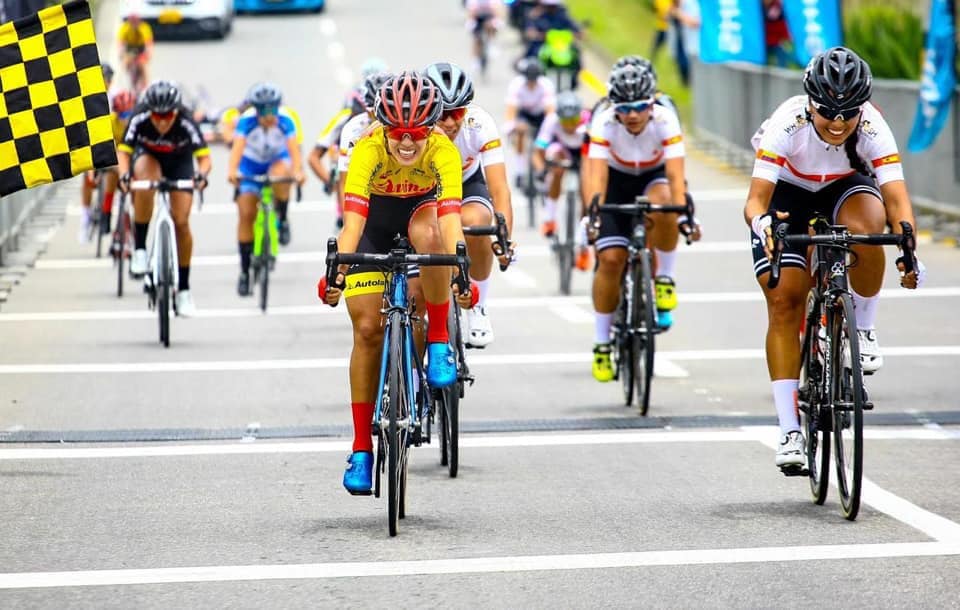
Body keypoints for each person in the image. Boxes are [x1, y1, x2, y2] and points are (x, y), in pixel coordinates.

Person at [745, 47, 924, 468]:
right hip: (788, 193)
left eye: (849, 112)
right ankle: (789, 430)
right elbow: (755, 202)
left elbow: (898, 200)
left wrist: (907, 247)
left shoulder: (873, 124)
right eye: (828, 111)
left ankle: (862, 328)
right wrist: (764, 225)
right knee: (784, 301)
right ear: (811, 103)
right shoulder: (787, 122)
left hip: (844, 187)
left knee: (869, 226)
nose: (840, 122)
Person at [316, 72, 469, 495]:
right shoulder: (366, 148)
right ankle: (362, 448)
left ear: (431, 129)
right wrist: (336, 273)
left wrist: (462, 267)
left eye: (417, 133)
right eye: (398, 133)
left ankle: (438, 342)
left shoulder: (443, 150)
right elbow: (353, 224)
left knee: (433, 237)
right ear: (383, 127)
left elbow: (452, 219)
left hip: (420, 214)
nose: (407, 142)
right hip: (374, 224)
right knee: (367, 330)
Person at [583, 63, 699, 382]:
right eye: (625, 108)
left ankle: (664, 279)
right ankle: (602, 343)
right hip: (617, 181)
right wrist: (593, 213)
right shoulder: (604, 121)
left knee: (665, 204)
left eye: (639, 107)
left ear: (652, 103)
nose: (633, 115)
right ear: (614, 107)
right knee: (610, 260)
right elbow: (597, 175)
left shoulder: (665, 118)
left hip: (654, 178)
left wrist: (682, 212)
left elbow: (676, 174)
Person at [425, 61, 513, 348]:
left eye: (458, 112)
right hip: (425, 187)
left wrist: (504, 237)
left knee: (478, 224)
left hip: (466, 181)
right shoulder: (415, 126)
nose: (451, 122)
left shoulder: (479, 123)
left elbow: (499, 188)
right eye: (443, 114)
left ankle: (478, 306)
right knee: (429, 236)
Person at [117, 80, 211, 317]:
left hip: (180, 162)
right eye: (156, 116)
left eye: (167, 115)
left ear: (176, 112)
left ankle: (184, 291)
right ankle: (139, 249)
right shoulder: (139, 118)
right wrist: (124, 176)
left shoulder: (186, 121)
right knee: (147, 180)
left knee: (181, 221)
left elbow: (205, 158)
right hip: (148, 157)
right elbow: (123, 153)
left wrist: (201, 175)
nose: (161, 121)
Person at [227, 83, 305, 296]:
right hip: (250, 165)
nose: (269, 116)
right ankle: (244, 271)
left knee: (282, 174)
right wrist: (232, 171)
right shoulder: (246, 122)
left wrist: (298, 172)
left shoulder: (286, 120)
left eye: (272, 110)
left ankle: (283, 217)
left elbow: (294, 151)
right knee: (246, 213)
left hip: (276, 161)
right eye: (263, 111)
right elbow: (237, 149)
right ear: (256, 110)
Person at [533, 90, 587, 246]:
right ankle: (550, 217)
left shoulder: (588, 122)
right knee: (556, 163)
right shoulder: (551, 121)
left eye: (574, 121)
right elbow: (538, 151)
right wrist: (542, 170)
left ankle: (582, 230)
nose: (570, 126)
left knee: (586, 183)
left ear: (580, 115)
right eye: (565, 122)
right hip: (563, 150)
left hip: (583, 152)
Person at [503, 57, 556, 188]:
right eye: (529, 81)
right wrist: (510, 127)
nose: (531, 84)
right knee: (520, 131)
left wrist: (546, 133)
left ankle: (543, 172)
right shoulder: (516, 85)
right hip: (524, 114)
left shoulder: (546, 85)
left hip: (541, 115)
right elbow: (511, 110)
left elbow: (550, 113)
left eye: (534, 81)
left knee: (544, 142)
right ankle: (520, 171)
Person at [465, 0, 503, 75]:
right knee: (476, 38)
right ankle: (475, 60)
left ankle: (491, 44)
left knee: (492, 25)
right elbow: (471, 12)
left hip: (490, 18)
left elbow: (498, 11)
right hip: (477, 18)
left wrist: (495, 21)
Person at [117, 14, 153, 93]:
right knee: (125, 62)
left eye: (136, 22)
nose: (134, 24)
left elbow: (148, 43)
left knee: (142, 65)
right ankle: (128, 78)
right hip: (130, 48)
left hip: (141, 48)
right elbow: (120, 42)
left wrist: (148, 53)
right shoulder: (125, 27)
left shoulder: (144, 27)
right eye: (132, 22)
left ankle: (146, 86)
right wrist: (120, 53)